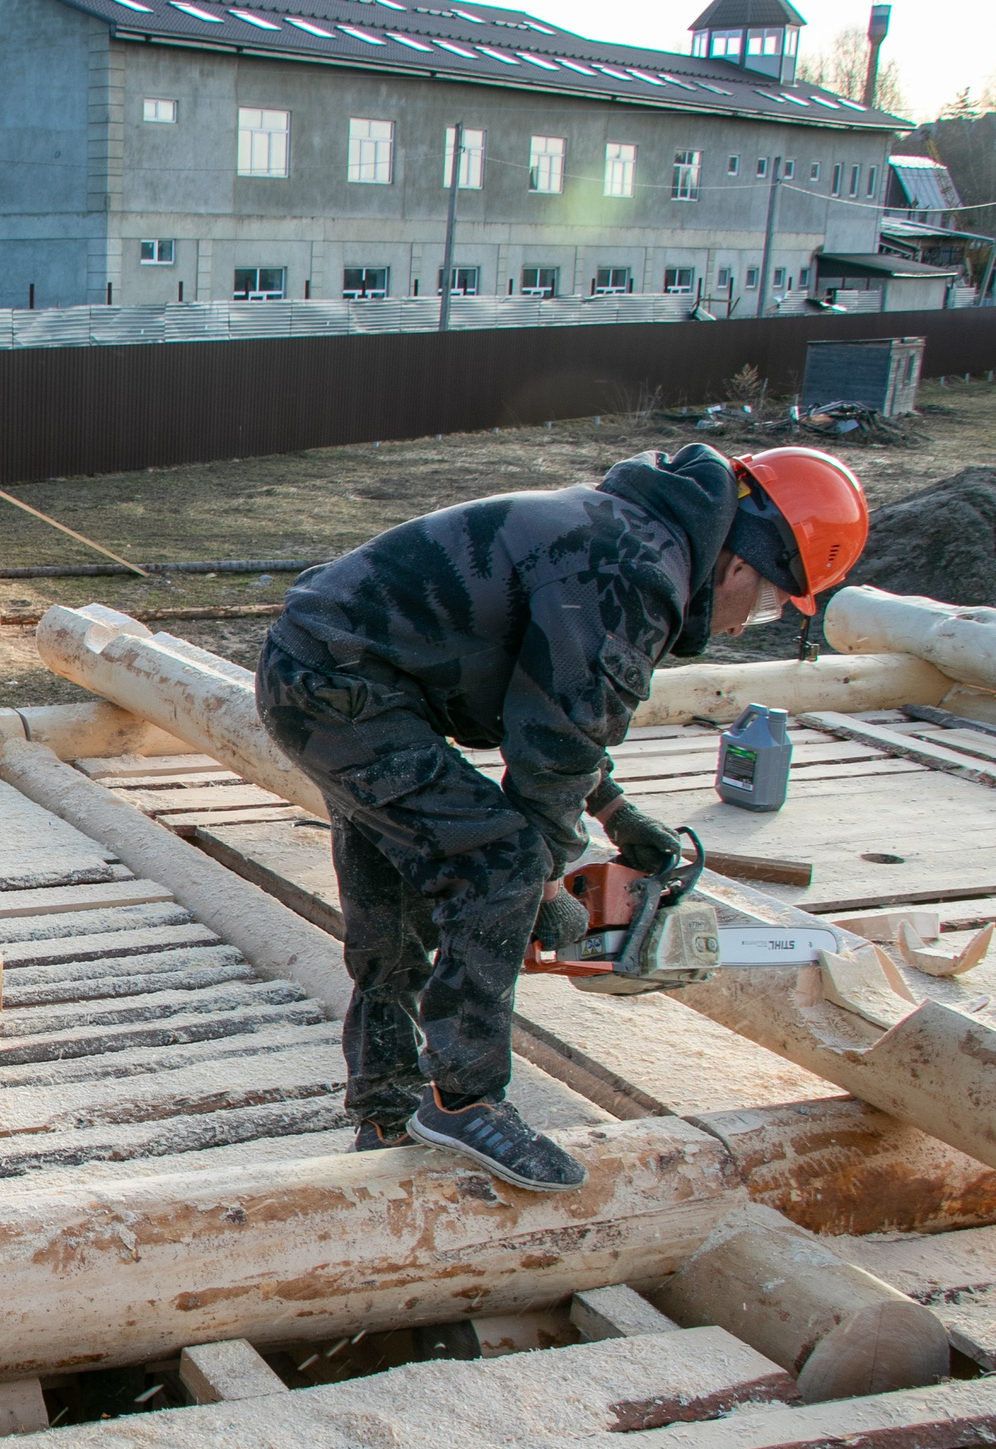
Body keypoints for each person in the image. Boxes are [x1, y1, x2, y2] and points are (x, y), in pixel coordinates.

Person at [254, 444, 868, 1192]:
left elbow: (549, 699)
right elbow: (555, 746)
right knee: (504, 861)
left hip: (329, 672)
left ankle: (387, 1107)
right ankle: (465, 1099)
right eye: (773, 603)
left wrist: (614, 811)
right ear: (747, 559)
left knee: (402, 880)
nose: (748, 625)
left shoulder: (630, 532)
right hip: (345, 688)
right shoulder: (637, 572)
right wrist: (544, 886)